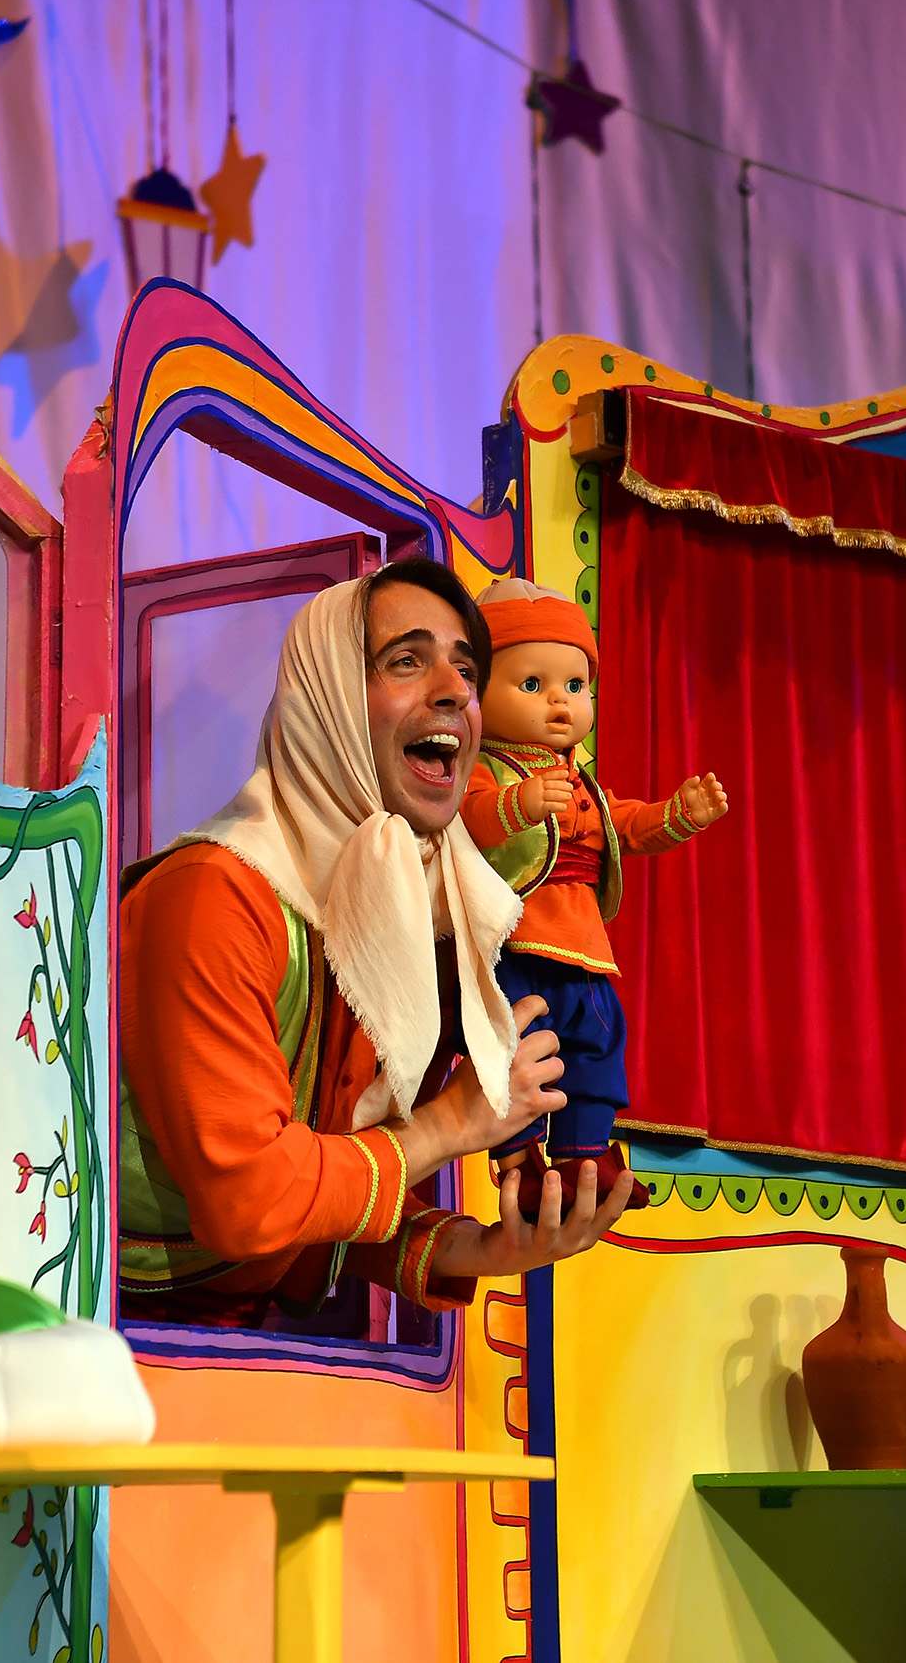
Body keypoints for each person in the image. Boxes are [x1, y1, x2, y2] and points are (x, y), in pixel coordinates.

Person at [116, 560, 635, 1328]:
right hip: (108, 1335)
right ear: (324, 699)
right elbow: (252, 1199)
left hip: (238, 1344)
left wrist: (479, 1248)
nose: (454, 690)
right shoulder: (215, 897)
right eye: (407, 660)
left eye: (468, 669)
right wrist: (451, 1124)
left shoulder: (410, 912)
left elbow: (330, 1177)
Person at [458, 579, 729, 1216]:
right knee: (518, 1054)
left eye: (575, 686)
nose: (560, 701)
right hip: (515, 945)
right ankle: (519, 1164)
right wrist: (519, 804)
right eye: (533, 684)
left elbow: (626, 824)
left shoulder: (583, 784)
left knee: (598, 1048)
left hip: (584, 950)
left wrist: (678, 815)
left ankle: (586, 1157)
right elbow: (468, 820)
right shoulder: (483, 768)